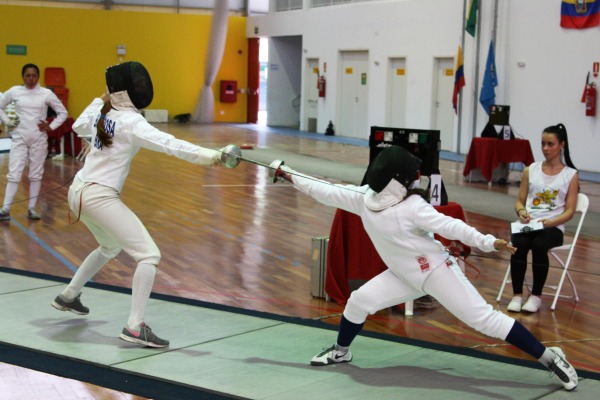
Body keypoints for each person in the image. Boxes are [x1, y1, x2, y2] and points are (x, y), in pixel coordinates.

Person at [269, 145, 578, 391]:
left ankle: (551, 358)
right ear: (399, 181)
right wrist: (288, 173)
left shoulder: (409, 206)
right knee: (359, 301)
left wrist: (487, 242)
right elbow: (323, 189)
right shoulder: (364, 199)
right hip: (403, 275)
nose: (417, 179)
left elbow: (452, 226)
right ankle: (341, 350)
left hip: (436, 271)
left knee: (484, 320)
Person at [50, 61, 240, 348]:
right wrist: (213, 156)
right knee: (148, 254)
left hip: (78, 192)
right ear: (130, 90)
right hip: (98, 196)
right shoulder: (131, 122)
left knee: (110, 247)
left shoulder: (106, 113)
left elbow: (79, 126)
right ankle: (135, 326)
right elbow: (171, 144)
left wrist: (99, 100)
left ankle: (68, 295)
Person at [507, 123, 579, 313]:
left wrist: (551, 222)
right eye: (543, 144)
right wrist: (522, 212)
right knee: (518, 245)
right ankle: (516, 295)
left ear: (561, 145)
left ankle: (536, 296)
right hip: (529, 224)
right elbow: (519, 202)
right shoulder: (530, 170)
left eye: (550, 144)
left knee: (539, 246)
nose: (545, 149)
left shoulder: (570, 175)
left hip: (552, 227)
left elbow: (570, 211)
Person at [0, 63, 68, 221]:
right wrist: (8, 122)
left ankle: (31, 209)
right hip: (19, 137)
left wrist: (50, 127)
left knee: (35, 174)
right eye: (27, 76)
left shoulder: (46, 94)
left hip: (39, 138)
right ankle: (5, 209)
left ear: (38, 77)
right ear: (23, 76)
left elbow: (62, 113)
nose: (31, 79)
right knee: (14, 173)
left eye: (34, 76)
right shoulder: (14, 91)